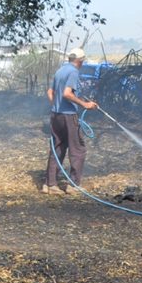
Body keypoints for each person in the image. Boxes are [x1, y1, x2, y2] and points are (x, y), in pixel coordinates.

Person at [44, 47, 98, 194]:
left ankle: (50, 184)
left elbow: (50, 92)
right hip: (68, 116)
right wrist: (85, 104)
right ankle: (73, 185)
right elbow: (67, 94)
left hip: (56, 115)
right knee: (78, 149)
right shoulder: (74, 72)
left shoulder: (60, 70)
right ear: (80, 61)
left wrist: (56, 105)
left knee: (58, 147)